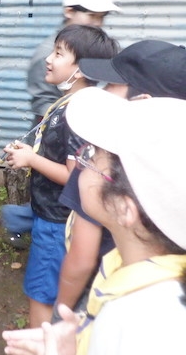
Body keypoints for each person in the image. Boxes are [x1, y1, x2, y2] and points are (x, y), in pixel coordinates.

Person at [3, 87, 186, 354]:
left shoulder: (145, 323)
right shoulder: (125, 270)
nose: (79, 162)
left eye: (91, 156)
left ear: (125, 209)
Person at [53, 40, 186, 320]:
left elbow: (81, 256)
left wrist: (60, 312)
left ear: (143, 102)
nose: (102, 90)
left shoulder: (111, 165)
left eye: (112, 85)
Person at [3, 24, 119, 328]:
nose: (48, 59)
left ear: (79, 69)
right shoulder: (72, 103)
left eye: (58, 53)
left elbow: (73, 176)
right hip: (52, 216)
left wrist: (30, 159)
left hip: (56, 223)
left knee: (41, 299)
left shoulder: (78, 112)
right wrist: (29, 152)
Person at [27, 0, 120, 122]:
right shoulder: (48, 55)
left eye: (101, 17)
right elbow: (44, 107)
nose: (97, 23)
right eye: (92, 15)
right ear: (69, 11)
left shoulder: (96, 46)